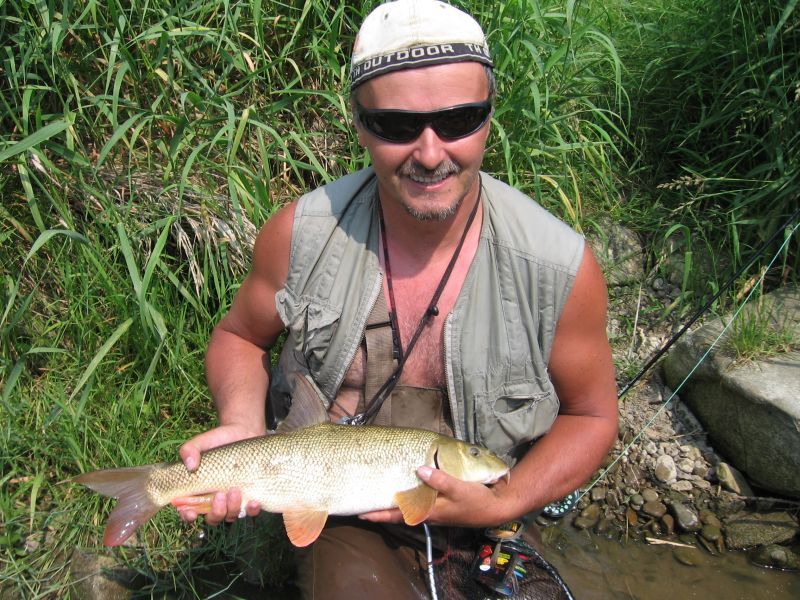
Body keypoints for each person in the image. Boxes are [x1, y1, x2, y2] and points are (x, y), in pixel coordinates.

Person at [177, 0, 618, 597]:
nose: (431, 153)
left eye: (459, 120)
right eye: (397, 126)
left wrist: (504, 502)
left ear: (490, 116)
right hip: (344, 515)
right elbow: (239, 337)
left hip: (489, 510)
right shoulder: (298, 235)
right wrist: (240, 424)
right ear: (360, 124)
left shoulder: (560, 268)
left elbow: (592, 417)